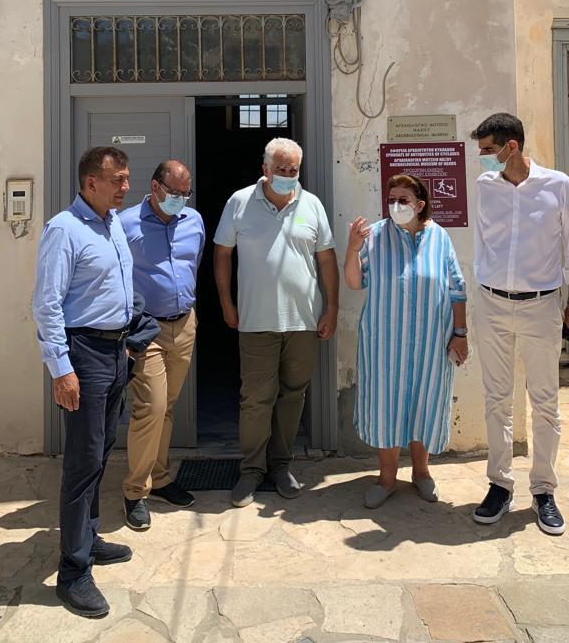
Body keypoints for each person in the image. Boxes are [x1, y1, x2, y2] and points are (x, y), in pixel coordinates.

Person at [32, 147, 141, 619]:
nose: (125, 188)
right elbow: (47, 304)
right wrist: (62, 369)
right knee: (82, 461)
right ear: (90, 182)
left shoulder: (112, 223)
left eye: (126, 178)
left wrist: (129, 342)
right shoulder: (64, 229)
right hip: (84, 355)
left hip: (115, 352)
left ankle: (87, 538)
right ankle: (73, 572)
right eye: (117, 180)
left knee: (99, 453)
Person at [213, 137, 339, 507]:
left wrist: (331, 308)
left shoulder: (311, 204)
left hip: (303, 321)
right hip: (255, 321)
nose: (287, 175)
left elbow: (326, 259)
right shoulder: (239, 202)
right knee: (256, 398)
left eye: (293, 169)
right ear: (265, 169)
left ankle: (281, 465)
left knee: (293, 395)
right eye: (280, 168)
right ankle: (251, 470)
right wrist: (226, 302)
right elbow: (222, 254)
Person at [344, 173, 468, 509]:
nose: (396, 205)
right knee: (387, 406)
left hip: (431, 343)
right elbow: (354, 282)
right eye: (392, 200)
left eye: (403, 200)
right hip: (385, 343)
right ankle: (386, 478)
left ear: (420, 204)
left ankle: (421, 472)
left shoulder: (439, 237)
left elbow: (457, 288)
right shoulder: (375, 236)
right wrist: (353, 248)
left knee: (425, 403)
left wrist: (460, 334)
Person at [471, 112, 569, 535]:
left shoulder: (558, 185)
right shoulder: (484, 186)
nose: (482, 158)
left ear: (512, 147)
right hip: (492, 303)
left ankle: (543, 490)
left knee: (544, 402)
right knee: (496, 399)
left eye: (488, 150)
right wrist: (481, 284)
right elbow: (481, 240)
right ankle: (500, 485)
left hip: (541, 305)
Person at [120, 160, 205, 530]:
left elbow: (191, 265)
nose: (181, 200)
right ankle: (135, 491)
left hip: (184, 324)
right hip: (147, 329)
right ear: (155, 187)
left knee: (167, 406)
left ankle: (159, 477)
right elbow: (114, 275)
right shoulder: (125, 224)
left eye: (186, 193)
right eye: (175, 193)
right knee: (150, 407)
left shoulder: (194, 221)